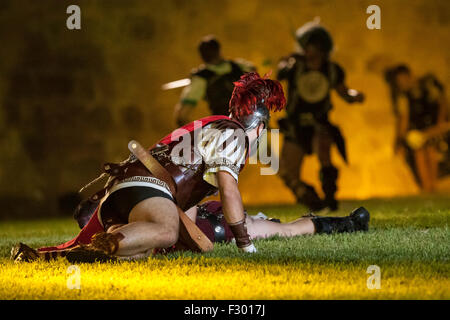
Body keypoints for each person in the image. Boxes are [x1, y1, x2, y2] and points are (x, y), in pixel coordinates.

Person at [11, 72, 369, 263]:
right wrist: (245, 244)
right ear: (258, 122)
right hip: (146, 188)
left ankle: (104, 245)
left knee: (149, 246)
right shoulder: (233, 136)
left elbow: (189, 194)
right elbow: (229, 189)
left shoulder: (211, 127)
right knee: (165, 232)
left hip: (131, 195)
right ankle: (84, 255)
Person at [11, 200, 370, 262]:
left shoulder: (142, 211)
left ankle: (347, 223)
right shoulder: (127, 231)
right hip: (216, 230)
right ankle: (350, 224)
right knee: (288, 231)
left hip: (213, 221)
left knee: (281, 227)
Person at [276, 21, 364, 211]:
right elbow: (279, 73)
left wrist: (354, 96)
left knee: (325, 157)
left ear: (323, 49)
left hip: (319, 123)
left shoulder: (332, 70)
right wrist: (286, 62)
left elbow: (344, 91)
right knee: (289, 172)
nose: (310, 52)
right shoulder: (294, 66)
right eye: (308, 47)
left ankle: (330, 196)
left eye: (314, 47)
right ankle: (309, 198)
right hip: (295, 125)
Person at [384, 64, 449, 192]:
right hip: (419, 133)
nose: (403, 84)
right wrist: (400, 141)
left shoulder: (429, 87)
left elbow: (442, 106)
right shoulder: (403, 98)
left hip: (437, 128)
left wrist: (439, 126)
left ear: (410, 76)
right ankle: (427, 187)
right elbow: (404, 118)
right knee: (418, 146)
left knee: (430, 149)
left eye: (404, 80)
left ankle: (433, 186)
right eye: (399, 82)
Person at [174, 35, 255, 126]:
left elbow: (182, 115)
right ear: (219, 50)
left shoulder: (201, 79)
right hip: (251, 125)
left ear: (201, 55)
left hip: (225, 129)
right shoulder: (241, 67)